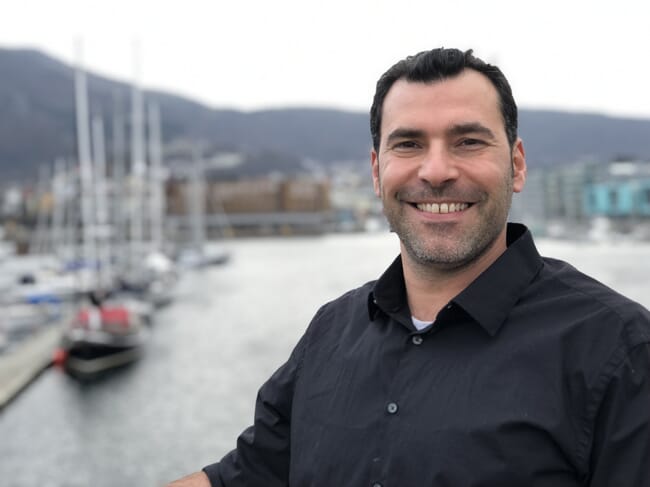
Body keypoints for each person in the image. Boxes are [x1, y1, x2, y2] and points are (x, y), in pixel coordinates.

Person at [168, 47, 650, 486]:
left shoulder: (619, 350)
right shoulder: (330, 332)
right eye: (409, 144)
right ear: (377, 173)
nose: (436, 171)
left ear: (517, 165)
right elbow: (246, 477)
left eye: (467, 142)